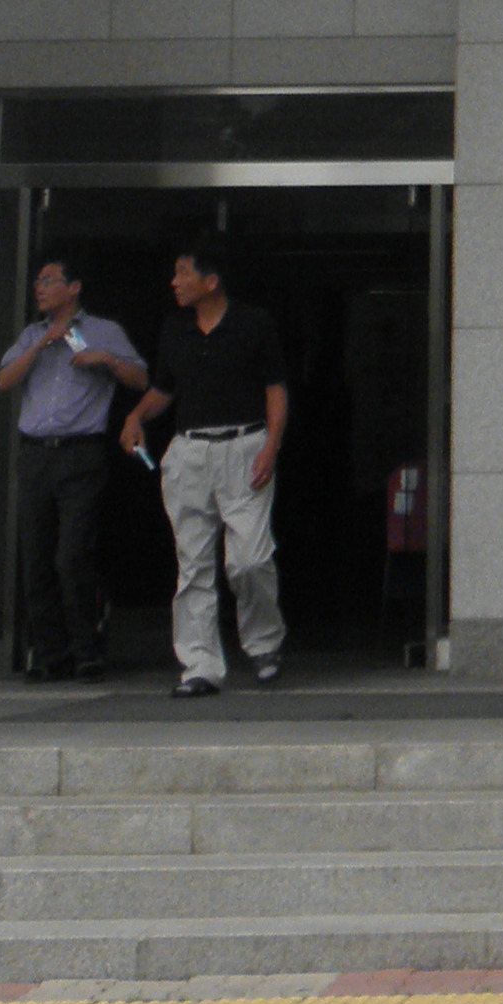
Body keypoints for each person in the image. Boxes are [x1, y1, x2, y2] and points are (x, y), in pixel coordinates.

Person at [119, 239, 289, 698]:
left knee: (250, 560)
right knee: (193, 564)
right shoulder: (174, 328)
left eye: (183, 272)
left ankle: (264, 646)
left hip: (245, 446)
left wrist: (271, 446)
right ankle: (200, 666)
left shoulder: (254, 323)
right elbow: (164, 389)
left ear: (210, 281)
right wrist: (136, 416)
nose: (174, 282)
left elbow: (275, 388)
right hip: (189, 451)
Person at [0, 254, 147, 683]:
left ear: (74, 287)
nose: (39, 288)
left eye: (48, 280)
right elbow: (4, 381)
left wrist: (107, 361)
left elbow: (140, 378)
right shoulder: (31, 334)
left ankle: (87, 650)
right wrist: (41, 345)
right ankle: (49, 654)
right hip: (35, 454)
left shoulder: (104, 331)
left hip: (81, 453)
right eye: (38, 282)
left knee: (72, 555)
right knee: (36, 556)